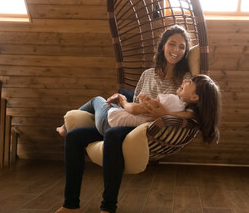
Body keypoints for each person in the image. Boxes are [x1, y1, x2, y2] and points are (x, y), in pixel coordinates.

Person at [55, 24, 193, 213]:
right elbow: (133, 105)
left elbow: (194, 113)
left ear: (185, 52)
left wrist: (164, 114)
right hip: (129, 119)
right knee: (74, 137)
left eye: (182, 47)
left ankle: (108, 207)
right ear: (163, 46)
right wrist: (125, 102)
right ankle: (70, 205)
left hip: (146, 129)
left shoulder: (185, 79)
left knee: (110, 129)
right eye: (172, 44)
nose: (176, 50)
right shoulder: (147, 74)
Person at [57, 74, 221, 145]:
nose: (185, 80)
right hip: (120, 124)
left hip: (109, 121)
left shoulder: (170, 99)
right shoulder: (188, 113)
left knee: (98, 100)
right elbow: (192, 117)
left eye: (189, 83)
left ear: (195, 97)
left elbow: (134, 110)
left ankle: (64, 127)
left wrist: (123, 101)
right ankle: (75, 125)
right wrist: (165, 113)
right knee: (112, 103)